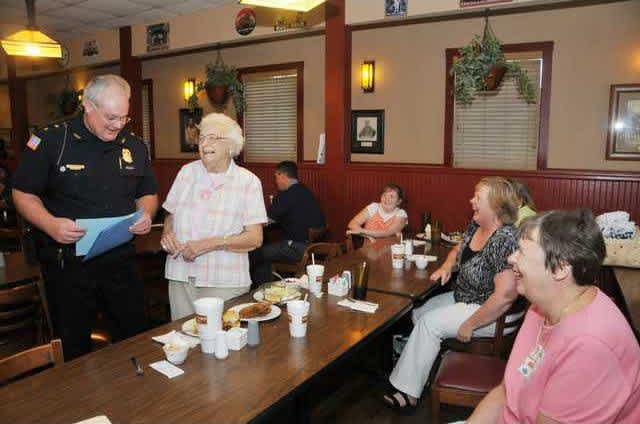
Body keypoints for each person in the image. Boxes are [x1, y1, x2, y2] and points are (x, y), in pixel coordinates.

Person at [11, 74, 159, 360]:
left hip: (120, 259)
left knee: (134, 337)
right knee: (73, 345)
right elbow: (22, 193)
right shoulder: (52, 140)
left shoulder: (134, 145)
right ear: (88, 106)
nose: (118, 125)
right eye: (111, 117)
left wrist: (146, 214)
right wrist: (50, 224)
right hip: (68, 264)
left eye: (124, 118)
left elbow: (148, 192)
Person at [465, 210, 640, 424]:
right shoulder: (542, 305)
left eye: (521, 251)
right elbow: (506, 392)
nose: (510, 258)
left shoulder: (590, 346)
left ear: (559, 268)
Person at [384, 177, 520, 412]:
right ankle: (423, 375)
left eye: (478, 198)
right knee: (418, 313)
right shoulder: (477, 225)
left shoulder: (504, 239)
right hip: (466, 298)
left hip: (490, 312)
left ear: (496, 207)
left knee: (428, 323)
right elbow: (458, 249)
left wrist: (470, 323)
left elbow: (506, 296)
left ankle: (408, 393)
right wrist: (447, 266)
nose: (471, 201)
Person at [162, 113, 267, 320]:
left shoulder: (248, 182)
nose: (204, 143)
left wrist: (209, 244)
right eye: (201, 138)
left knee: (222, 342)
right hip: (180, 275)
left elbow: (255, 238)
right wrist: (168, 234)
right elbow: (170, 215)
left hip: (224, 281)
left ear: (231, 145)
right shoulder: (186, 173)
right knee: (183, 340)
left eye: (212, 138)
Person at [249, 161, 325, 286]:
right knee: (266, 248)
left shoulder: (287, 195)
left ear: (282, 175)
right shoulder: (304, 190)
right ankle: (271, 283)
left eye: (276, 177)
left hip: (296, 248)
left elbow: (266, 219)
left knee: (256, 252)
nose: (276, 181)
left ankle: (262, 287)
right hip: (312, 247)